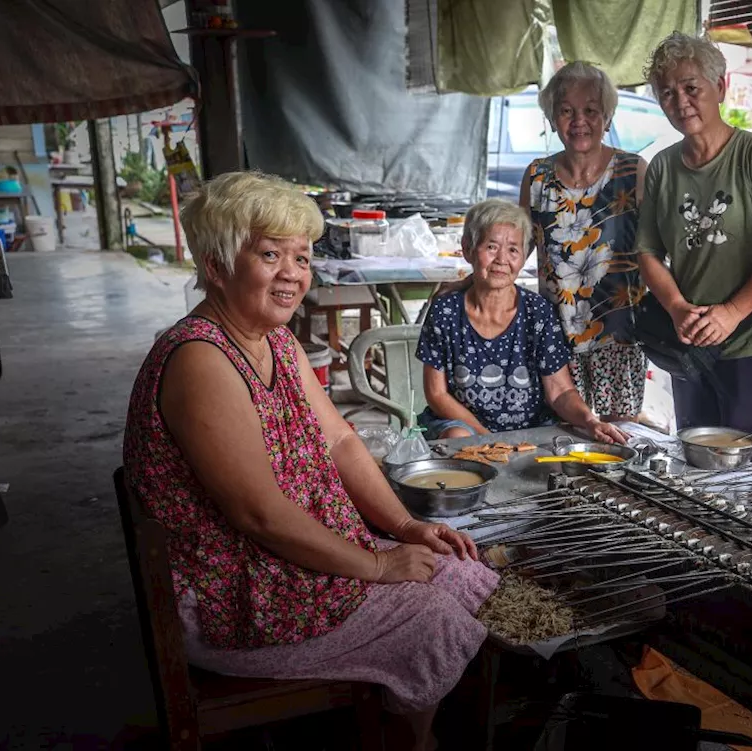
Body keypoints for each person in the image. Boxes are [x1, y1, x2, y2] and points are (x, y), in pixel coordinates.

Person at [122, 171, 495, 750]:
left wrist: (404, 527)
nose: (293, 273)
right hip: (237, 595)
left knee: (466, 573)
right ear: (217, 266)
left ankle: (399, 719)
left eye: (301, 255)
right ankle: (410, 741)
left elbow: (342, 442)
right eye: (270, 254)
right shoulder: (201, 360)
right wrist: (376, 564)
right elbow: (260, 515)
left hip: (282, 562)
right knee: (433, 617)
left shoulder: (274, 340)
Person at [635, 32, 752, 462]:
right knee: (696, 454)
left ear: (721, 88)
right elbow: (649, 253)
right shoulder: (661, 168)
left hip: (751, 335)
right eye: (667, 93)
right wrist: (676, 307)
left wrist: (731, 313)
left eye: (691, 87)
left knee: (744, 460)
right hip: (688, 336)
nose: (681, 101)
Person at [416, 198, 630, 444]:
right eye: (491, 247)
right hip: (466, 425)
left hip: (530, 428)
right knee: (458, 437)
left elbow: (559, 391)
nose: (502, 260)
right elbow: (436, 394)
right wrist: (489, 440)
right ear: (468, 249)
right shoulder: (446, 311)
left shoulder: (537, 311)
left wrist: (590, 420)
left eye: (513, 250)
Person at [518, 61, 649, 421]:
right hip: (555, 335)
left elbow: (657, 248)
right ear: (552, 118)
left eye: (590, 110)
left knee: (618, 439)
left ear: (607, 117)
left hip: (620, 336)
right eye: (566, 111)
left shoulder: (633, 170)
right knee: (563, 438)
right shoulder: (537, 177)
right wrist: (469, 282)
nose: (579, 121)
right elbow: (518, 248)